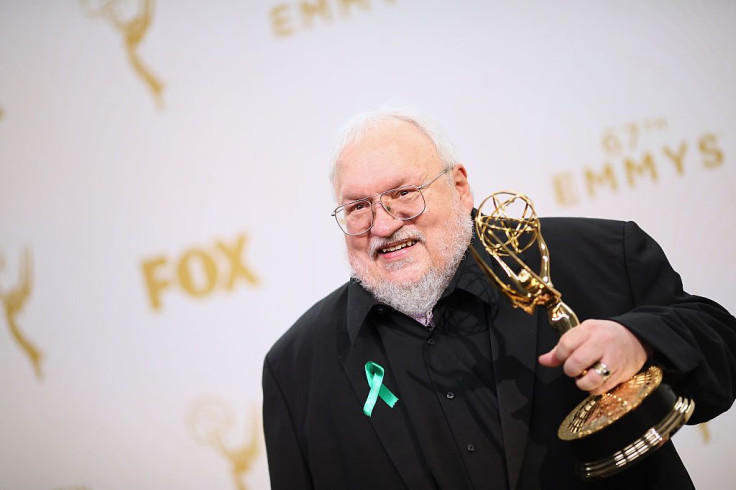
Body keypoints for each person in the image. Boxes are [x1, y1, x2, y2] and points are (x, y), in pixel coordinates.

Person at [262, 110, 736, 489]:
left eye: (404, 193)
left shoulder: (600, 255)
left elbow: (723, 352)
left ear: (460, 186)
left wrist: (641, 341)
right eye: (358, 207)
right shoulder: (296, 370)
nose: (383, 225)